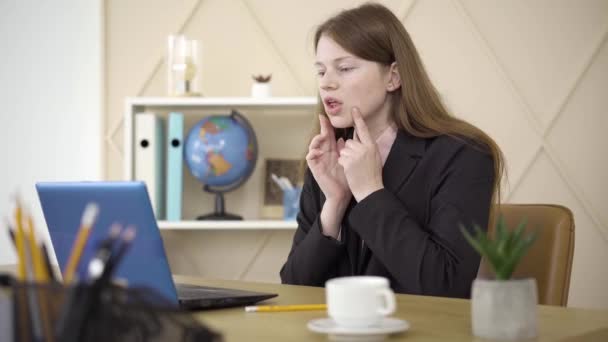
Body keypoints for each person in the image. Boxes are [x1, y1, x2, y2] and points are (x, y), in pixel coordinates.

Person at [279, 3, 505, 299]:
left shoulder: (464, 155)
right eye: (321, 71)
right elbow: (293, 288)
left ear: (393, 77)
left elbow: (446, 286)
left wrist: (371, 192)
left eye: (344, 68)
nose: (327, 83)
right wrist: (334, 204)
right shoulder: (329, 156)